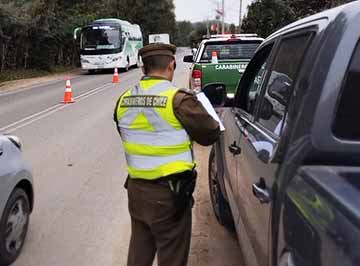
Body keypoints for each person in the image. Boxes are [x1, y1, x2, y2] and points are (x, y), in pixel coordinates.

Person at [113, 43, 221, 266]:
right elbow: (210, 134)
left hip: (136, 191)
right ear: (172, 65)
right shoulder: (179, 100)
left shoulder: (123, 100)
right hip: (169, 195)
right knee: (172, 255)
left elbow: (128, 135)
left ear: (143, 69)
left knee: (139, 253)